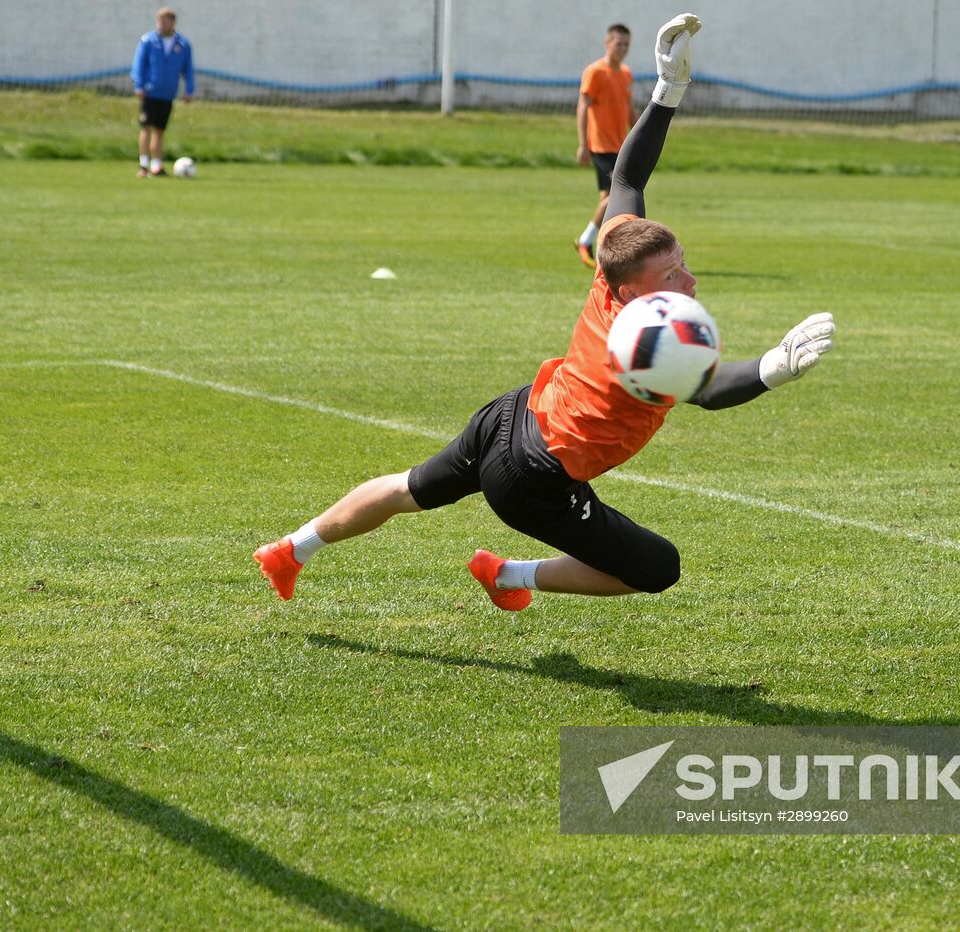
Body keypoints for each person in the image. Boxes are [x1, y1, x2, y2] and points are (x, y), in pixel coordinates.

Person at [254, 13, 836, 610]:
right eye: (672, 275)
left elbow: (629, 175)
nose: (690, 278)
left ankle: (290, 550)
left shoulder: (617, 269)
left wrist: (667, 92)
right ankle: (508, 575)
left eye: (682, 262)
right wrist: (774, 366)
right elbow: (709, 390)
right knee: (658, 568)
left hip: (513, 413)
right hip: (534, 476)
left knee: (410, 488)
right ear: (635, 295)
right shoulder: (646, 344)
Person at [574, 23, 636, 268]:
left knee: (608, 198)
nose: (622, 49)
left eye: (626, 45)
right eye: (618, 43)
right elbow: (583, 106)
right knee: (613, 197)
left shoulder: (626, 73)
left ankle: (604, 252)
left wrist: (643, 133)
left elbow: (629, 110)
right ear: (607, 43)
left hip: (620, 146)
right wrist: (582, 143)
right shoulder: (595, 72)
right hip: (600, 145)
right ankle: (585, 240)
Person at [131, 7, 194, 178]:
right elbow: (139, 64)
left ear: (172, 22)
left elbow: (187, 69)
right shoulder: (148, 41)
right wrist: (139, 85)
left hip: (167, 94)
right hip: (150, 92)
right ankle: (143, 165)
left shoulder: (182, 44)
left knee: (160, 130)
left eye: (165, 21)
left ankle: (156, 166)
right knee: (146, 128)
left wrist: (189, 90)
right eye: (159, 21)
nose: (161, 24)